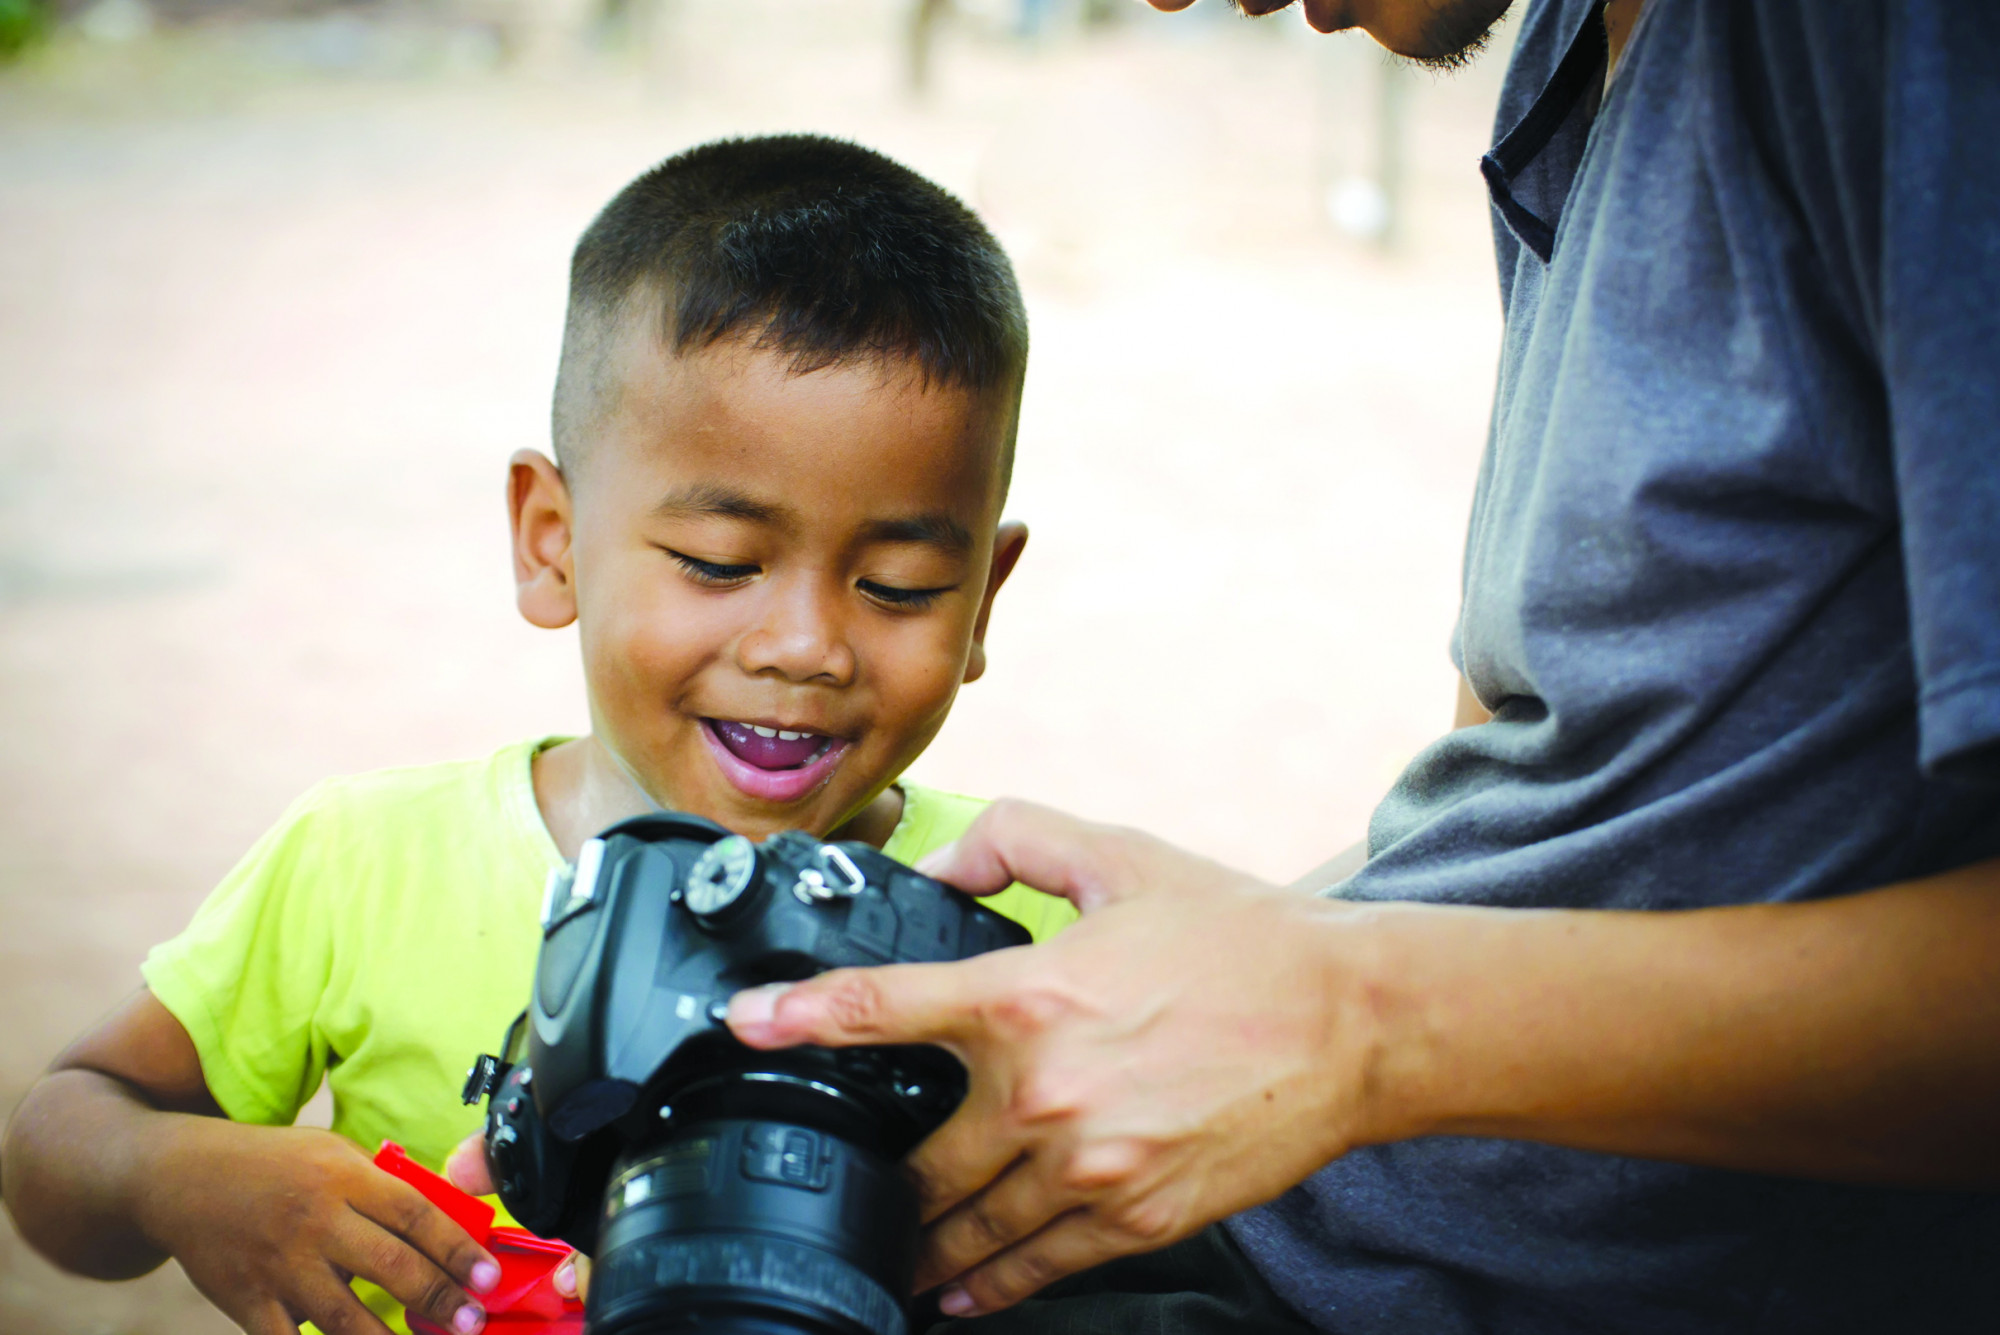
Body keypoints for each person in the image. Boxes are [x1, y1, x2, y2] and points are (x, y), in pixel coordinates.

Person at [697, 2, 2000, 1332]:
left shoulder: (1885, 47)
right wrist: (1185, 980)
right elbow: (1525, 791)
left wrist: (1349, 1017)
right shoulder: (1570, 55)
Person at [0, 134, 1076, 1335]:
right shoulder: (363, 863)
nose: (804, 646)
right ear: (550, 537)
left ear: (983, 597)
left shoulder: (1024, 927)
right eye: (720, 564)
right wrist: (174, 1178)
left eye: (898, 585)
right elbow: (60, 1137)